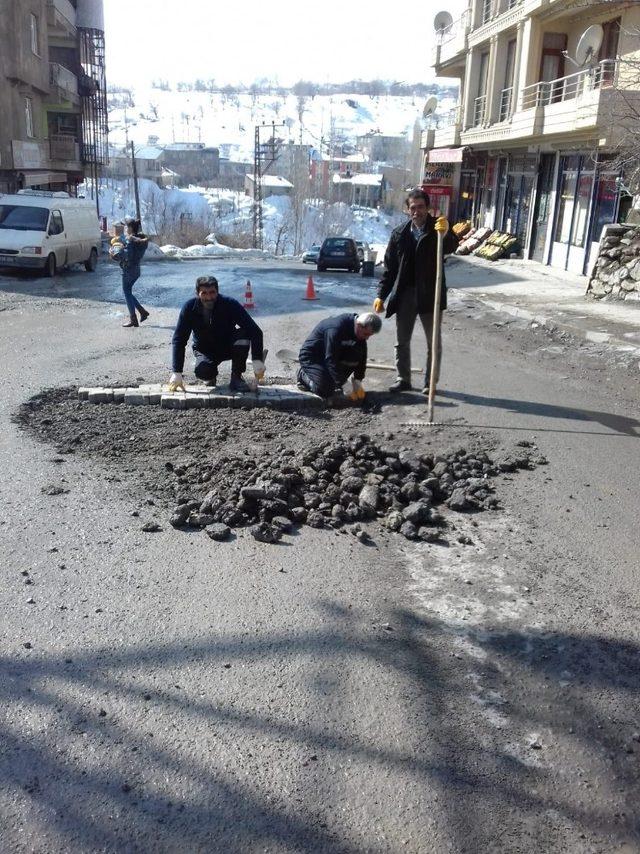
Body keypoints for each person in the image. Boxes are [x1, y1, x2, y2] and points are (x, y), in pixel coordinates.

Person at [373, 189, 458, 394]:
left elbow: (451, 247)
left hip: (430, 294)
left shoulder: (437, 228)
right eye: (413, 207)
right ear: (407, 210)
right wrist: (381, 295)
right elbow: (390, 269)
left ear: (428, 208)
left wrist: (447, 233)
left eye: (421, 207)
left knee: (433, 342)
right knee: (402, 340)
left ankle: (430, 383)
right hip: (405, 294)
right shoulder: (399, 234)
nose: (417, 211)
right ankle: (403, 378)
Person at [169, 275, 265, 393]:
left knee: (244, 334)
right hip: (204, 350)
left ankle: (236, 377)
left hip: (227, 346)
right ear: (197, 293)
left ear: (217, 292)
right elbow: (179, 339)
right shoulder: (189, 308)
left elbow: (255, 331)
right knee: (204, 372)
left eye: (212, 292)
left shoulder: (230, 304)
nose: (209, 297)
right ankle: (210, 376)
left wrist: (257, 360)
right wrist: (177, 372)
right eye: (204, 293)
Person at [297, 312, 382, 401]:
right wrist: (344, 383)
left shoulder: (359, 332)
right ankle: (302, 374)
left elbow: (362, 357)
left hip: (334, 354)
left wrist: (358, 380)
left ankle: (331, 379)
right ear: (359, 325)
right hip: (313, 356)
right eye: (366, 334)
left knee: (338, 381)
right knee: (325, 390)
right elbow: (331, 359)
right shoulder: (335, 328)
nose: (367, 338)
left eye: (369, 335)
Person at [120, 217, 150, 328]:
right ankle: (142, 312)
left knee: (126, 292)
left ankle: (133, 319)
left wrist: (116, 252)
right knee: (128, 292)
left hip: (129, 269)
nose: (125, 229)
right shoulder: (140, 240)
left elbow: (128, 255)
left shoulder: (130, 240)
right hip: (136, 269)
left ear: (131, 228)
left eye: (126, 226)